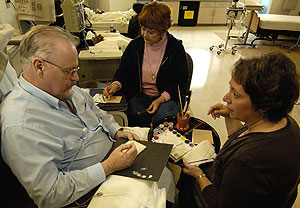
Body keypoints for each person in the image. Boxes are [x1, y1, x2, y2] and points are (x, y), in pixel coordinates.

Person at [0, 25, 175, 208]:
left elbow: (95, 110)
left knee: (165, 153)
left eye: (76, 69)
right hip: (90, 187)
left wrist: (116, 131)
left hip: (111, 151)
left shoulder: (62, 88)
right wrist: (108, 166)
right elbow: (50, 194)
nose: (76, 78)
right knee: (159, 183)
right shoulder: (21, 124)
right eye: (69, 71)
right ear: (39, 66)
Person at [178, 52, 300, 207]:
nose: (225, 98)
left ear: (262, 105)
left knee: (187, 174)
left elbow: (219, 205)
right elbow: (242, 139)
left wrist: (199, 175)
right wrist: (230, 115)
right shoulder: (285, 122)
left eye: (236, 95)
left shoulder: (247, 163)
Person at [103, 1, 189, 127]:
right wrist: (115, 85)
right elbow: (123, 71)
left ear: (163, 31)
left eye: (151, 32)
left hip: (165, 96)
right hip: (140, 94)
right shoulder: (135, 45)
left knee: (163, 121)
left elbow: (180, 82)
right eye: (143, 29)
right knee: (135, 116)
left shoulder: (175, 48)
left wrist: (160, 100)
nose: (145, 35)